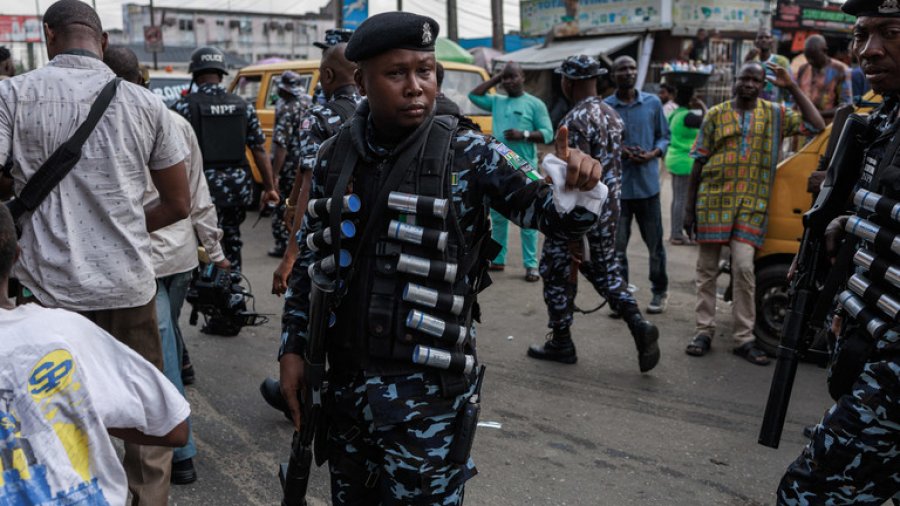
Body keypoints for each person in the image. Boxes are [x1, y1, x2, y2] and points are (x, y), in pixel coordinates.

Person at [278, 12, 602, 504]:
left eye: (424, 71)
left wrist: (578, 189)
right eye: (396, 73)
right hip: (344, 389)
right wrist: (292, 349)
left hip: (427, 399)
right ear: (362, 80)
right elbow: (311, 264)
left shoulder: (470, 151)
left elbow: (549, 216)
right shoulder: (332, 154)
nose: (415, 86)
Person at [0, 1, 191, 503]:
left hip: (47, 294)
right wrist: (123, 226)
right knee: (142, 415)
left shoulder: (13, 94)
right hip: (128, 286)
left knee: (61, 415)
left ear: (49, 36)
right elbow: (177, 203)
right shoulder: (146, 104)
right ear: (102, 42)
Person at [777, 0, 900, 501]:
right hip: (872, 339)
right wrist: (850, 222)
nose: (869, 51)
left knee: (807, 491)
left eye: (890, 32)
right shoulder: (886, 117)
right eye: (861, 34)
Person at [0, 204, 191, 505]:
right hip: (124, 285)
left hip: (61, 287)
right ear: (16, 257)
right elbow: (174, 429)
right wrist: (75, 408)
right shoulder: (62, 332)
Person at [104, 45, 228, 485]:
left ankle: (182, 453)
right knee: (168, 339)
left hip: (148, 260)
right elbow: (198, 193)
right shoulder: (172, 121)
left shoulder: (113, 124)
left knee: (159, 360)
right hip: (178, 257)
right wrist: (214, 250)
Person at [683, 62, 825, 365]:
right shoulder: (715, 114)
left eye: (755, 80)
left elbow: (816, 125)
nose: (748, 83)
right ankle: (703, 330)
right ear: (736, 81)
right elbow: (698, 163)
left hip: (751, 205)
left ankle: (743, 338)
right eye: (744, 78)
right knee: (706, 270)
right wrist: (688, 210)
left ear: (763, 85)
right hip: (713, 202)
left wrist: (792, 86)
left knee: (745, 268)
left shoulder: (775, 114)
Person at [527, 55, 661, 373]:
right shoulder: (612, 114)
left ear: (568, 82)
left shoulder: (574, 121)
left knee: (555, 271)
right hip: (610, 209)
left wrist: (570, 229)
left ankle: (561, 342)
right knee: (605, 270)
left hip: (581, 214)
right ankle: (638, 324)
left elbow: (572, 181)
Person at [173, 46, 279, 281]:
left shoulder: (183, 107)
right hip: (236, 190)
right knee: (232, 238)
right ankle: (233, 289)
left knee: (202, 242)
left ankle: (207, 291)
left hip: (201, 191)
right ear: (221, 74)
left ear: (195, 74)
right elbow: (259, 149)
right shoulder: (243, 106)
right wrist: (270, 187)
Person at [469, 61, 554, 282]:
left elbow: (547, 134)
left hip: (525, 170)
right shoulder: (497, 101)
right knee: (498, 218)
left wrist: (523, 134)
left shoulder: (535, 104)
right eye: (505, 78)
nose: (508, 81)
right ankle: (498, 259)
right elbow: (474, 96)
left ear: (522, 77)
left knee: (528, 218)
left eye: (512, 76)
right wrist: (497, 78)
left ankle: (531, 265)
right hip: (498, 168)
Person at [605, 55, 671, 314]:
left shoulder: (653, 103)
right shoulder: (606, 107)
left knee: (655, 247)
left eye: (632, 67)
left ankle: (659, 292)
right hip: (618, 190)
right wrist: (618, 151)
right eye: (622, 68)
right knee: (617, 249)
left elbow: (664, 137)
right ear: (614, 75)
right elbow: (601, 143)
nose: (628, 72)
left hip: (647, 188)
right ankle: (622, 297)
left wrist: (653, 153)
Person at [269, 70, 308, 258]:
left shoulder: (286, 107)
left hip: (289, 167)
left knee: (283, 205)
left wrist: (274, 175)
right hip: (306, 165)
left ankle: (284, 245)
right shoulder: (309, 103)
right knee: (303, 204)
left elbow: (281, 145)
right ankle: (301, 243)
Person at [665, 86, 706, 245]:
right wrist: (701, 105)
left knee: (677, 199)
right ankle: (677, 234)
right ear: (690, 100)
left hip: (674, 159)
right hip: (685, 162)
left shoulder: (675, 114)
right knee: (683, 199)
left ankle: (676, 233)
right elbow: (709, 120)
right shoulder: (688, 116)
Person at [797, 34, 853, 123]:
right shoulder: (803, 69)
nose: (810, 61)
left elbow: (846, 106)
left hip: (827, 129)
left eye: (814, 57)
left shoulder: (841, 70)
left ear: (825, 51)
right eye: (808, 57)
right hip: (803, 128)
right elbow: (796, 98)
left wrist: (816, 114)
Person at [744, 29, 793, 104]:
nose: (763, 40)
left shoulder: (781, 62)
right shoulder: (751, 62)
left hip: (775, 107)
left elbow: (790, 86)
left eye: (767, 37)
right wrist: (746, 61)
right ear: (755, 42)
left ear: (772, 41)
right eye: (760, 37)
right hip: (753, 107)